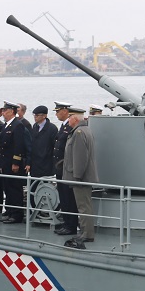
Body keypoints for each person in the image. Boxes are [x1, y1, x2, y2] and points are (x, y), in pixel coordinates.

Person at [63, 106, 99, 248]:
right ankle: (85, 231)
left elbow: (80, 157)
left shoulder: (78, 133)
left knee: (83, 206)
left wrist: (76, 176)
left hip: (81, 178)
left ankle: (87, 234)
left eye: (69, 118)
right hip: (83, 177)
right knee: (85, 205)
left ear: (75, 118)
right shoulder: (85, 130)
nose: (68, 121)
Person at [0, 100, 31, 223]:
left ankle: (16, 215)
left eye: (5, 111)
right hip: (5, 163)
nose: (3, 113)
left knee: (15, 189)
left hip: (13, 164)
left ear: (11, 111)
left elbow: (19, 145)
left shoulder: (18, 125)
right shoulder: (7, 125)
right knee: (8, 188)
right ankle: (10, 211)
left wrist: (16, 163)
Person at [52, 101, 78, 236]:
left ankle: (71, 225)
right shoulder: (63, 126)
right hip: (59, 168)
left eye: (57, 111)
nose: (56, 114)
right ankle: (66, 222)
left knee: (69, 198)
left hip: (66, 168)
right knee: (63, 196)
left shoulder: (70, 127)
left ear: (65, 111)